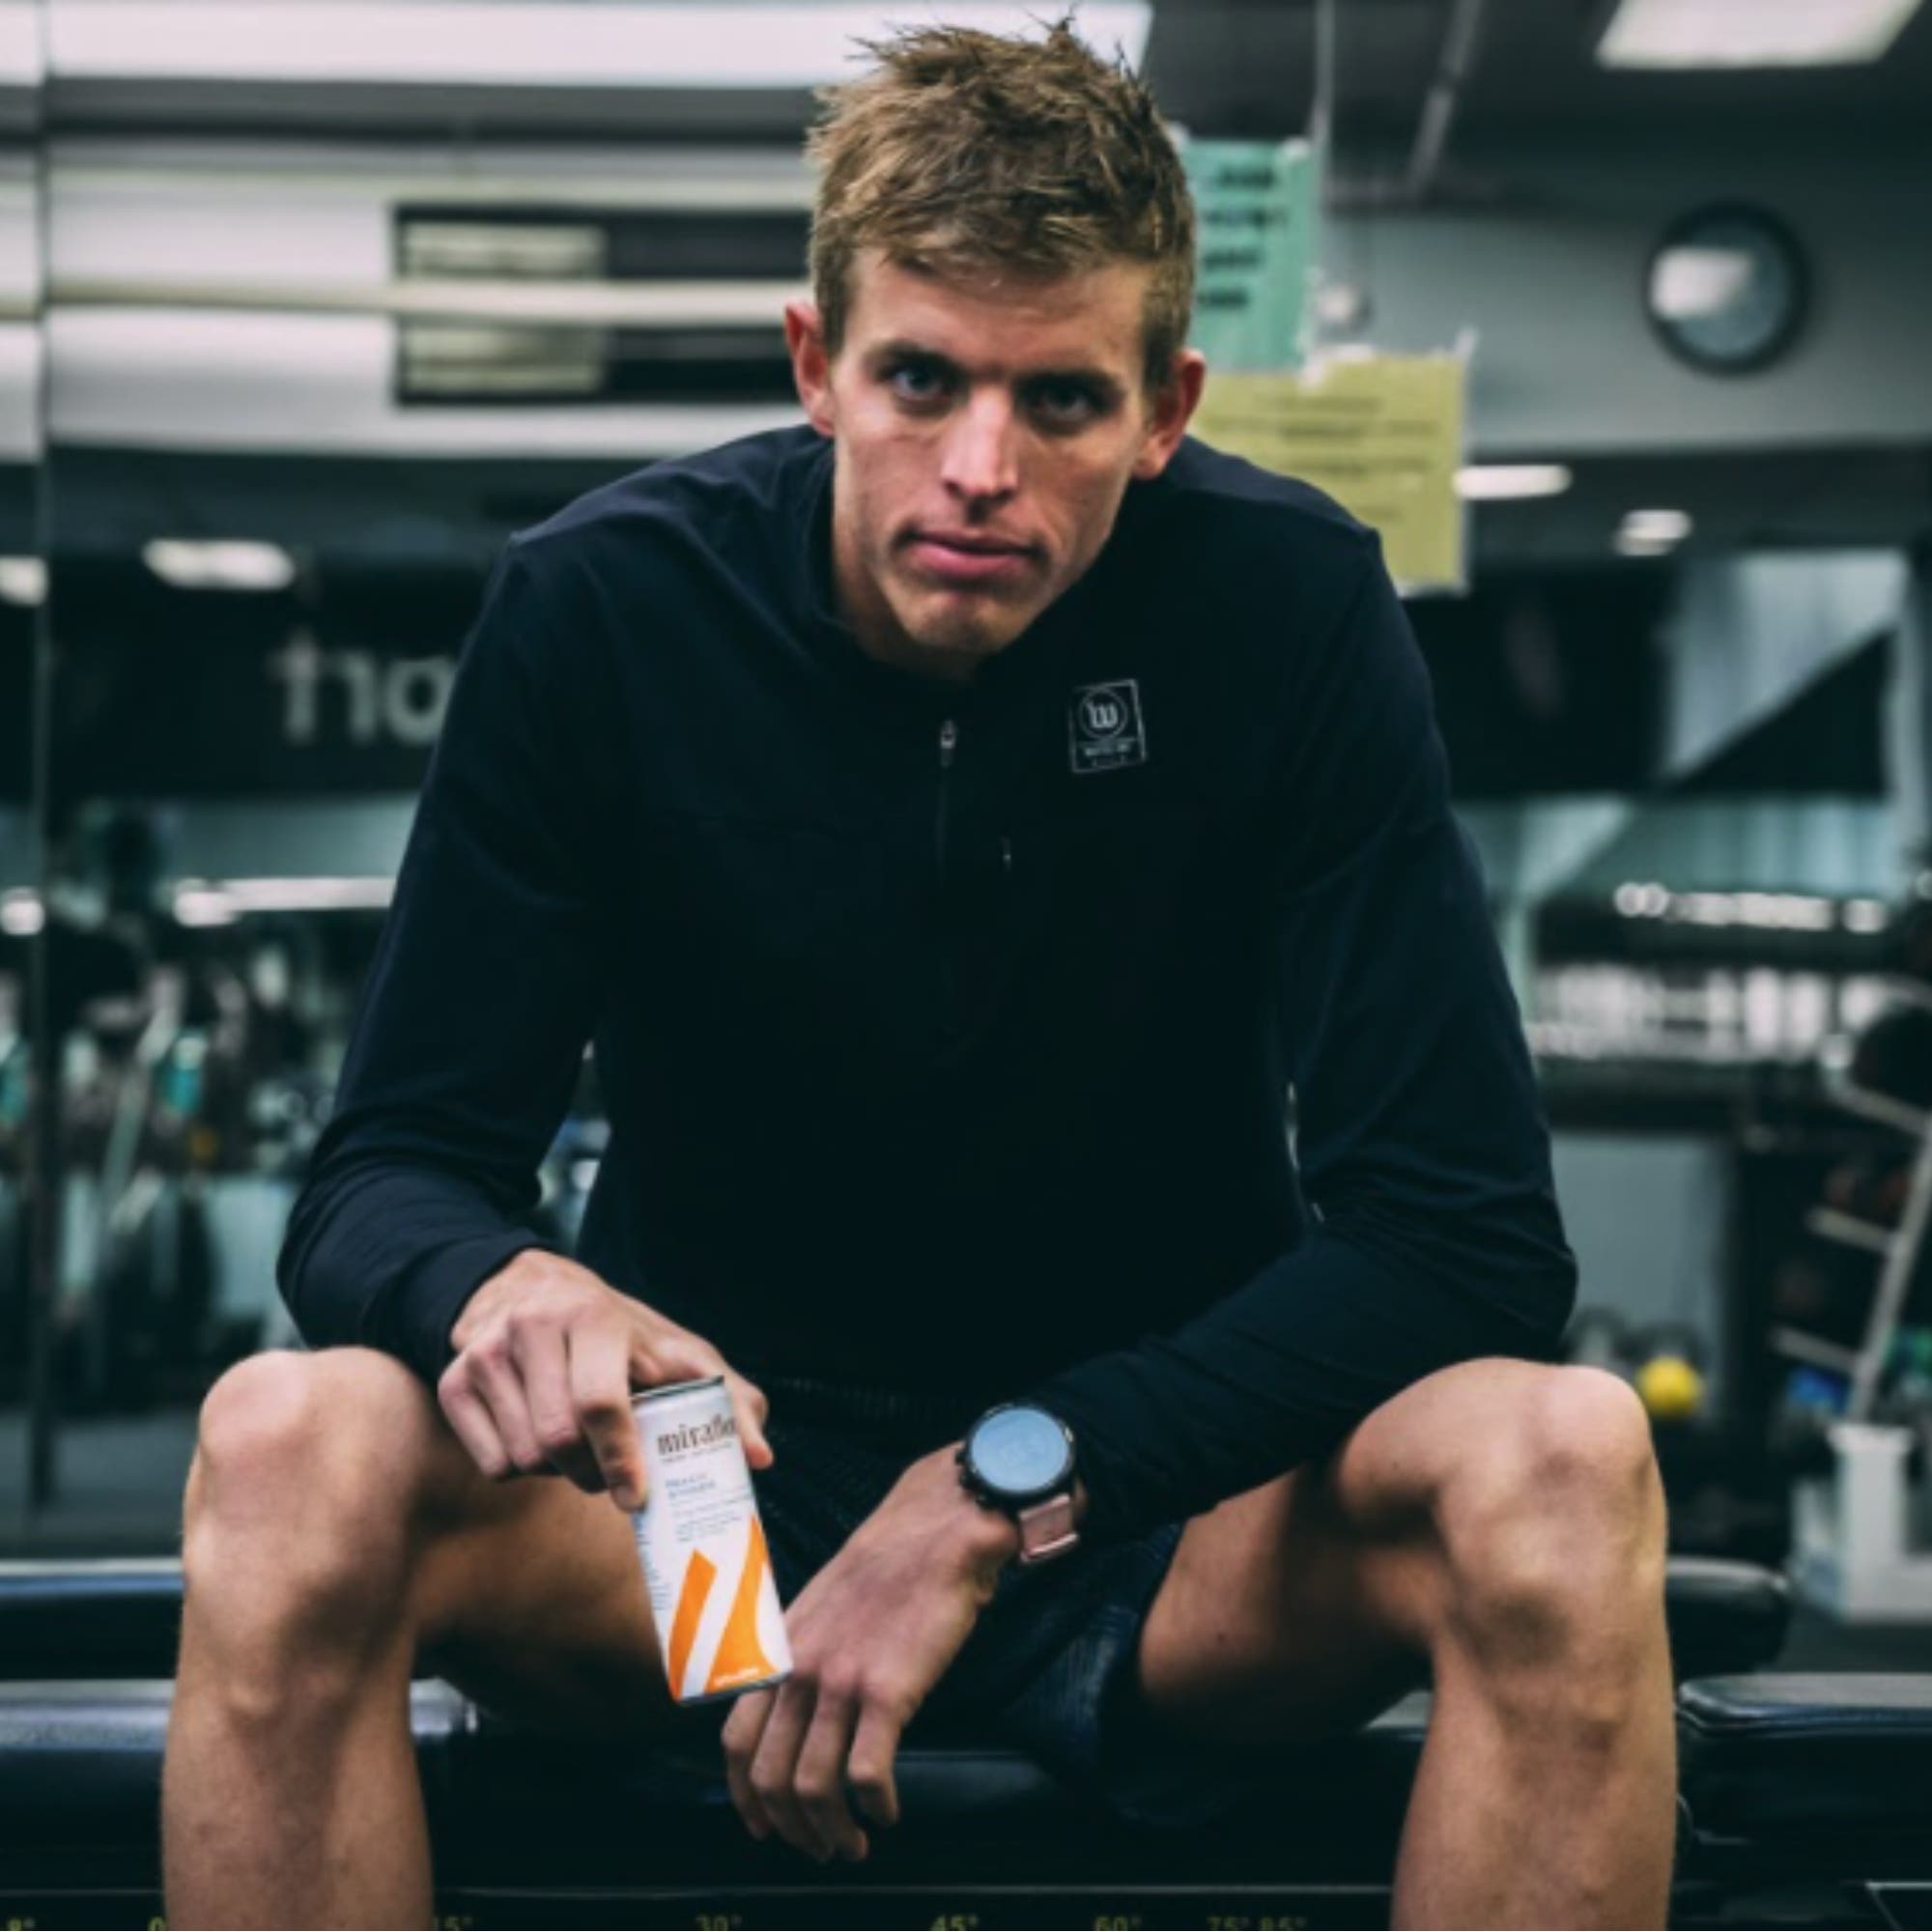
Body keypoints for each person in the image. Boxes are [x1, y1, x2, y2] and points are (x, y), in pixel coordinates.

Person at [161, 17, 1675, 1928]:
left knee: (1563, 1451)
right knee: (289, 1437)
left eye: (1057, 402)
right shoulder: (601, 609)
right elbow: (381, 1175)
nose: (981, 466)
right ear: (816, 366)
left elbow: (1464, 1238)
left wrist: (996, 1493)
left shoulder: (1287, 609)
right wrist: (494, 1275)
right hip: (706, 1526)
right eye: (920, 379)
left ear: (1164, 408)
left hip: (1142, 1522)